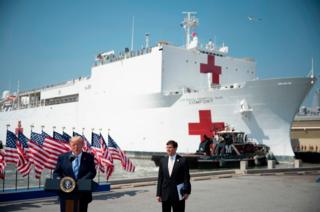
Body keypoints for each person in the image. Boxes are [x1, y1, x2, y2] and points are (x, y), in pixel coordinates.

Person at [53, 136, 96, 212]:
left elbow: (92, 172)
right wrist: (60, 180)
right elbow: (57, 172)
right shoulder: (62, 157)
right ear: (70, 144)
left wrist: (79, 182)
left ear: (83, 144)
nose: (76, 147)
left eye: (78, 144)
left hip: (82, 193)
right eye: (73, 144)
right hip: (66, 193)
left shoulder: (89, 157)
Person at [156, 140, 191, 212]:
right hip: (165, 194)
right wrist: (158, 194)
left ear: (175, 148)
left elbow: (186, 177)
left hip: (178, 194)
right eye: (167, 147)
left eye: (170, 147)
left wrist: (187, 191)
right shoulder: (163, 160)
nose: (168, 149)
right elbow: (160, 178)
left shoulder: (182, 160)